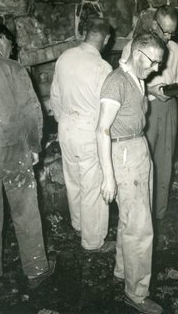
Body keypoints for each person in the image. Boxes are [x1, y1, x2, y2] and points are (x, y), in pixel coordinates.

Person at [0, 23, 55, 296]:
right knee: (25, 213)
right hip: (11, 153)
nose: (13, 49)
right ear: (2, 39)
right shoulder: (13, 69)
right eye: (11, 44)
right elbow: (31, 112)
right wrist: (34, 146)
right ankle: (36, 271)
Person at [96, 31, 165, 314]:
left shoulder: (135, 77)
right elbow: (102, 129)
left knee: (131, 221)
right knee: (140, 229)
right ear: (138, 55)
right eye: (153, 62)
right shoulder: (115, 82)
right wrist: (108, 177)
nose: (157, 68)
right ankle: (136, 294)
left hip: (138, 148)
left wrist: (150, 90)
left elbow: (133, 102)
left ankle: (123, 271)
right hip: (123, 155)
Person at [50, 18, 115, 252]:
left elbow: (54, 97)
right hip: (88, 128)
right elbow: (106, 110)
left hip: (65, 126)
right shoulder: (102, 68)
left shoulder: (64, 57)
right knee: (92, 186)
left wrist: (64, 120)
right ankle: (93, 241)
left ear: (86, 33)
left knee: (73, 181)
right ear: (106, 39)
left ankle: (78, 225)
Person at [120, 5, 178, 222]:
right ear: (153, 24)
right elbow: (125, 83)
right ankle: (141, 212)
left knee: (164, 161)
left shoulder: (175, 49)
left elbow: (177, 78)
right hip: (143, 107)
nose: (168, 37)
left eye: (172, 32)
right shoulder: (133, 48)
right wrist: (150, 90)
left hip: (168, 108)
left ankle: (159, 212)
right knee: (142, 161)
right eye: (165, 31)